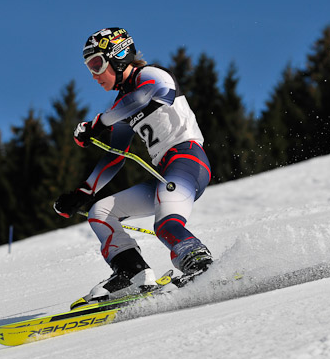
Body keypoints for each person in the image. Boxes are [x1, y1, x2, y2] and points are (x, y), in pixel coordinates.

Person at [54, 27, 213, 303]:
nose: (93, 75)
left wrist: (99, 123)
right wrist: (83, 192)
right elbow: (115, 155)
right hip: (163, 172)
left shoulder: (152, 75)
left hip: (187, 160)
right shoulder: (120, 106)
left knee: (165, 225)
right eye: (89, 67)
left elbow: (142, 97)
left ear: (117, 57)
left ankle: (200, 265)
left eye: (96, 64)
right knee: (100, 212)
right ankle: (132, 274)